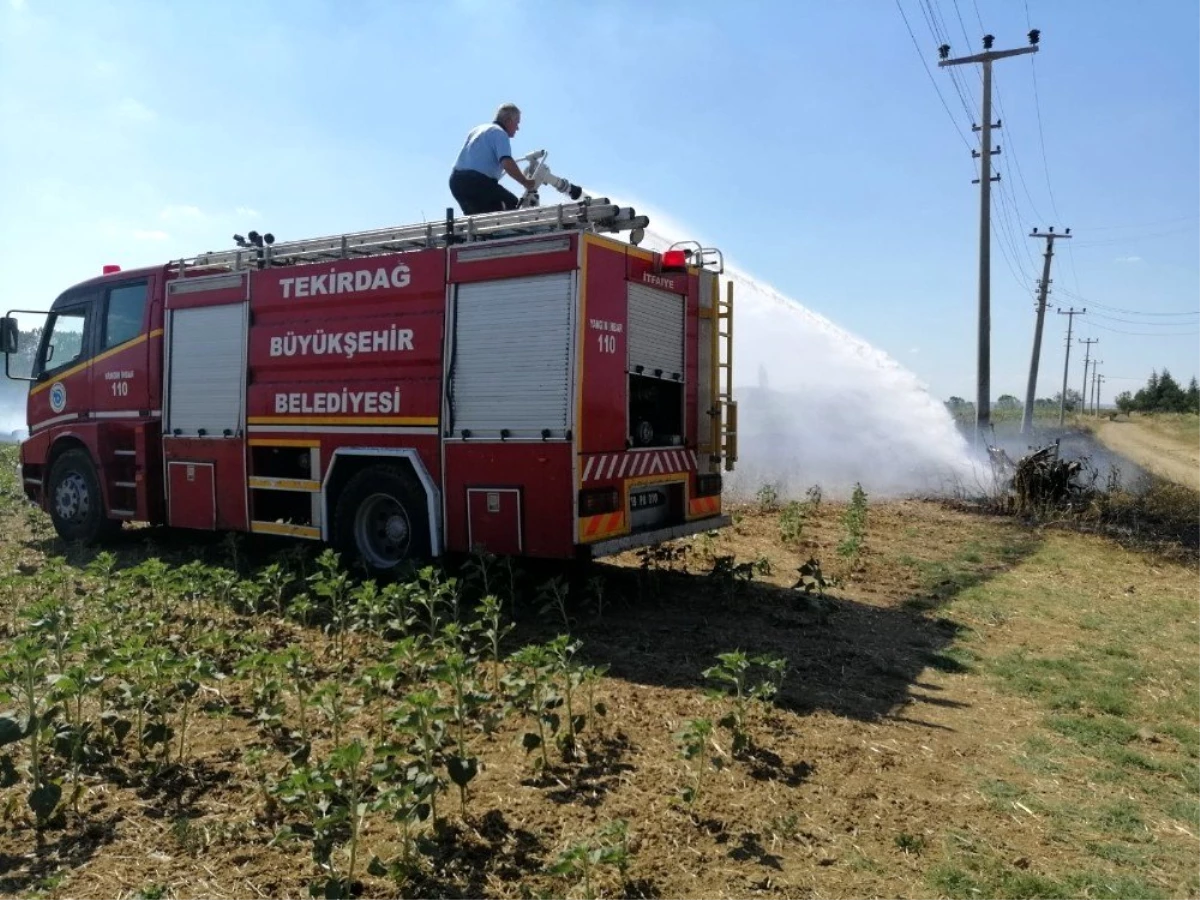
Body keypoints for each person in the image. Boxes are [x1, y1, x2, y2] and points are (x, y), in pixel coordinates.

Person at [449, 103, 537, 215]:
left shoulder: (477, 129)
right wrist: (525, 181)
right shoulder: (500, 133)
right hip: (477, 182)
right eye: (517, 123)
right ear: (508, 120)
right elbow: (507, 162)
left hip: (456, 181)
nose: (518, 128)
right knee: (513, 206)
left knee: (478, 220)